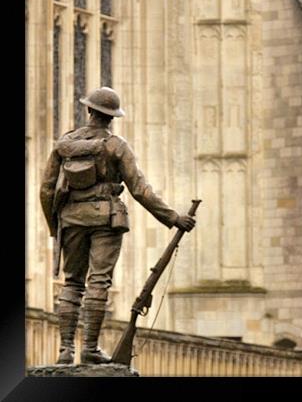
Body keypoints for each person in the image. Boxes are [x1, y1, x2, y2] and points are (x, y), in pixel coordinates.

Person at [39, 87, 196, 366]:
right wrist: (173, 218)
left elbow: (46, 190)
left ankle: (65, 351)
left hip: (71, 219)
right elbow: (140, 189)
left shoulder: (64, 144)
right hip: (106, 219)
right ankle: (89, 348)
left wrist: (55, 226)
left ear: (89, 111)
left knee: (72, 282)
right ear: (112, 118)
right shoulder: (116, 146)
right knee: (98, 281)